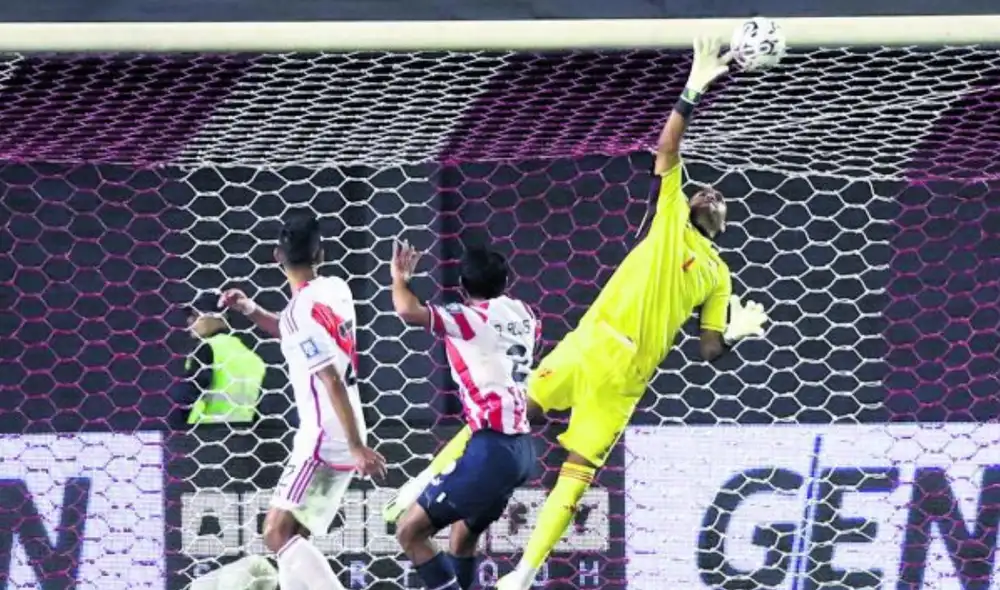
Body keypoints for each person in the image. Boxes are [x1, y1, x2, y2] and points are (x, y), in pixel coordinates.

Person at [384, 38, 770, 590]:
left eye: (718, 198)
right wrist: (691, 90)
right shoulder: (669, 221)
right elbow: (667, 154)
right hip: (591, 346)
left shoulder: (720, 274)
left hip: (622, 375)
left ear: (722, 223)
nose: (710, 193)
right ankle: (426, 478)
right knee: (508, 414)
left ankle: (522, 572)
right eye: (703, 190)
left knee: (575, 473)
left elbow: (708, 351)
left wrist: (732, 332)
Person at [217, 211, 386, 590]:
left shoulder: (298, 315)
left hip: (326, 436)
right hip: (347, 427)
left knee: (276, 533)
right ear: (321, 254)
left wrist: (358, 448)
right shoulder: (336, 289)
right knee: (296, 536)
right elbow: (292, 331)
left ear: (277, 255)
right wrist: (249, 309)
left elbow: (330, 378)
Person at [389, 240, 538, 590]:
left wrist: (399, 278)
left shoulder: (470, 318)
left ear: (462, 287)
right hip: (522, 450)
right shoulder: (523, 313)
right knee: (462, 536)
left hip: (492, 451)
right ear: (505, 282)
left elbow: (407, 310)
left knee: (410, 532)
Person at [174, 300, 267, 426]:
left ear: (220, 318)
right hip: (245, 434)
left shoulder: (207, 348)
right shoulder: (252, 357)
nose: (189, 321)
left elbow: (187, 395)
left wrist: (175, 428)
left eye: (196, 316)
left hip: (204, 434)